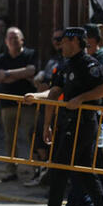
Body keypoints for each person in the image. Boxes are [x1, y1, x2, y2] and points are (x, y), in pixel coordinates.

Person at [23, 27, 103, 206]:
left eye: (63, 41)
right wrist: (38, 101)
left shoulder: (89, 64)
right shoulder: (65, 66)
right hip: (68, 124)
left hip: (83, 125)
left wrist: (81, 99)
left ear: (74, 41)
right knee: (85, 173)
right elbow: (54, 93)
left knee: (59, 169)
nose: (60, 45)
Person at [0, 26, 37, 181]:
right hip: (7, 104)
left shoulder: (30, 54)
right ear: (6, 42)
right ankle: (11, 170)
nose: (13, 41)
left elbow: (31, 71)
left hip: (27, 103)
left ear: (22, 40)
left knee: (31, 136)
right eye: (10, 38)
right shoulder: (1, 58)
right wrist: (21, 74)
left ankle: (35, 169)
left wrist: (9, 74)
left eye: (16, 38)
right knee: (10, 138)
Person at [25, 29, 66, 187]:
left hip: (60, 110)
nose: (57, 41)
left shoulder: (67, 61)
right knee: (36, 137)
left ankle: (49, 176)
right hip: (46, 106)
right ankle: (41, 172)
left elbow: (55, 87)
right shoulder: (53, 59)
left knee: (52, 145)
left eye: (60, 38)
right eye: (54, 38)